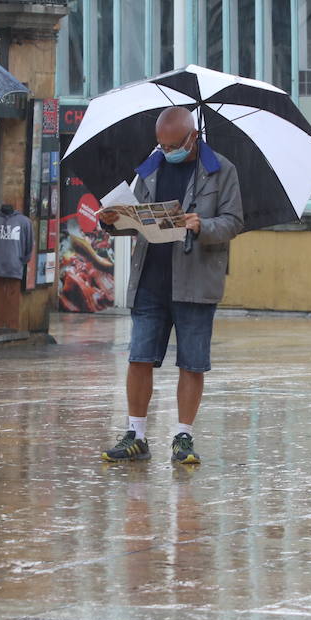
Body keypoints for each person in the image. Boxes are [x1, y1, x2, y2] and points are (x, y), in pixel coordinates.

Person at [99, 107, 244, 466]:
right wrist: (114, 221)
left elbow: (233, 221)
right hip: (151, 276)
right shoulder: (150, 167)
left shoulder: (221, 170)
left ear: (193, 137)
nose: (166, 151)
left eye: (174, 145)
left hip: (196, 280)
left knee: (192, 362)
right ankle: (136, 434)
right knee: (139, 357)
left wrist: (202, 225)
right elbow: (137, 219)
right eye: (161, 145)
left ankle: (183, 436)